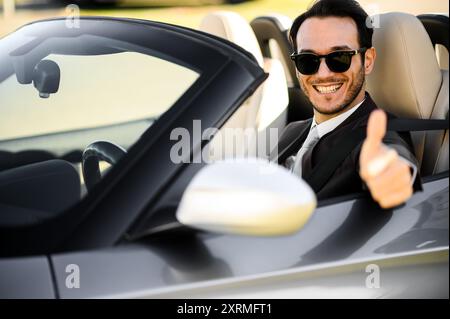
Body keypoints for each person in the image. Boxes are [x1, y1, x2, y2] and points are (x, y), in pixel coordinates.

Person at [273, 0, 421, 208]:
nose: (323, 74)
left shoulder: (379, 134)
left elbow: (390, 158)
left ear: (367, 61)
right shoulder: (292, 130)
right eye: (308, 60)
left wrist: (391, 175)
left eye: (339, 57)